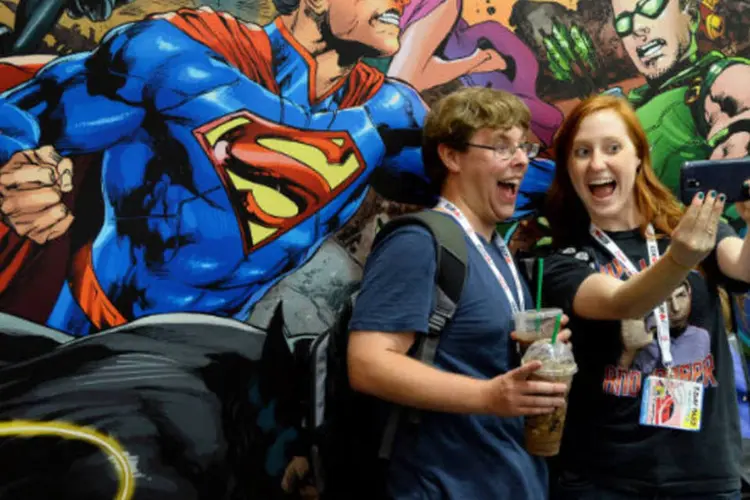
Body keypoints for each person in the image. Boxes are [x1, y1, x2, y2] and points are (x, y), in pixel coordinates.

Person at [347, 86, 571, 500]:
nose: (521, 159)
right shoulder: (418, 241)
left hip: (513, 480)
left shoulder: (498, 253)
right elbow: (368, 363)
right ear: (451, 156)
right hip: (440, 484)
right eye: (501, 146)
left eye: (524, 146)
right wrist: (490, 396)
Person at [539, 94, 750, 499]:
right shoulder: (565, 259)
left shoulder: (689, 226)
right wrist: (680, 259)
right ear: (568, 168)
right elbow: (623, 302)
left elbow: (742, 267)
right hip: (606, 480)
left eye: (612, 148)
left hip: (704, 474)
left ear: (639, 156)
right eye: (582, 152)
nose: (597, 163)